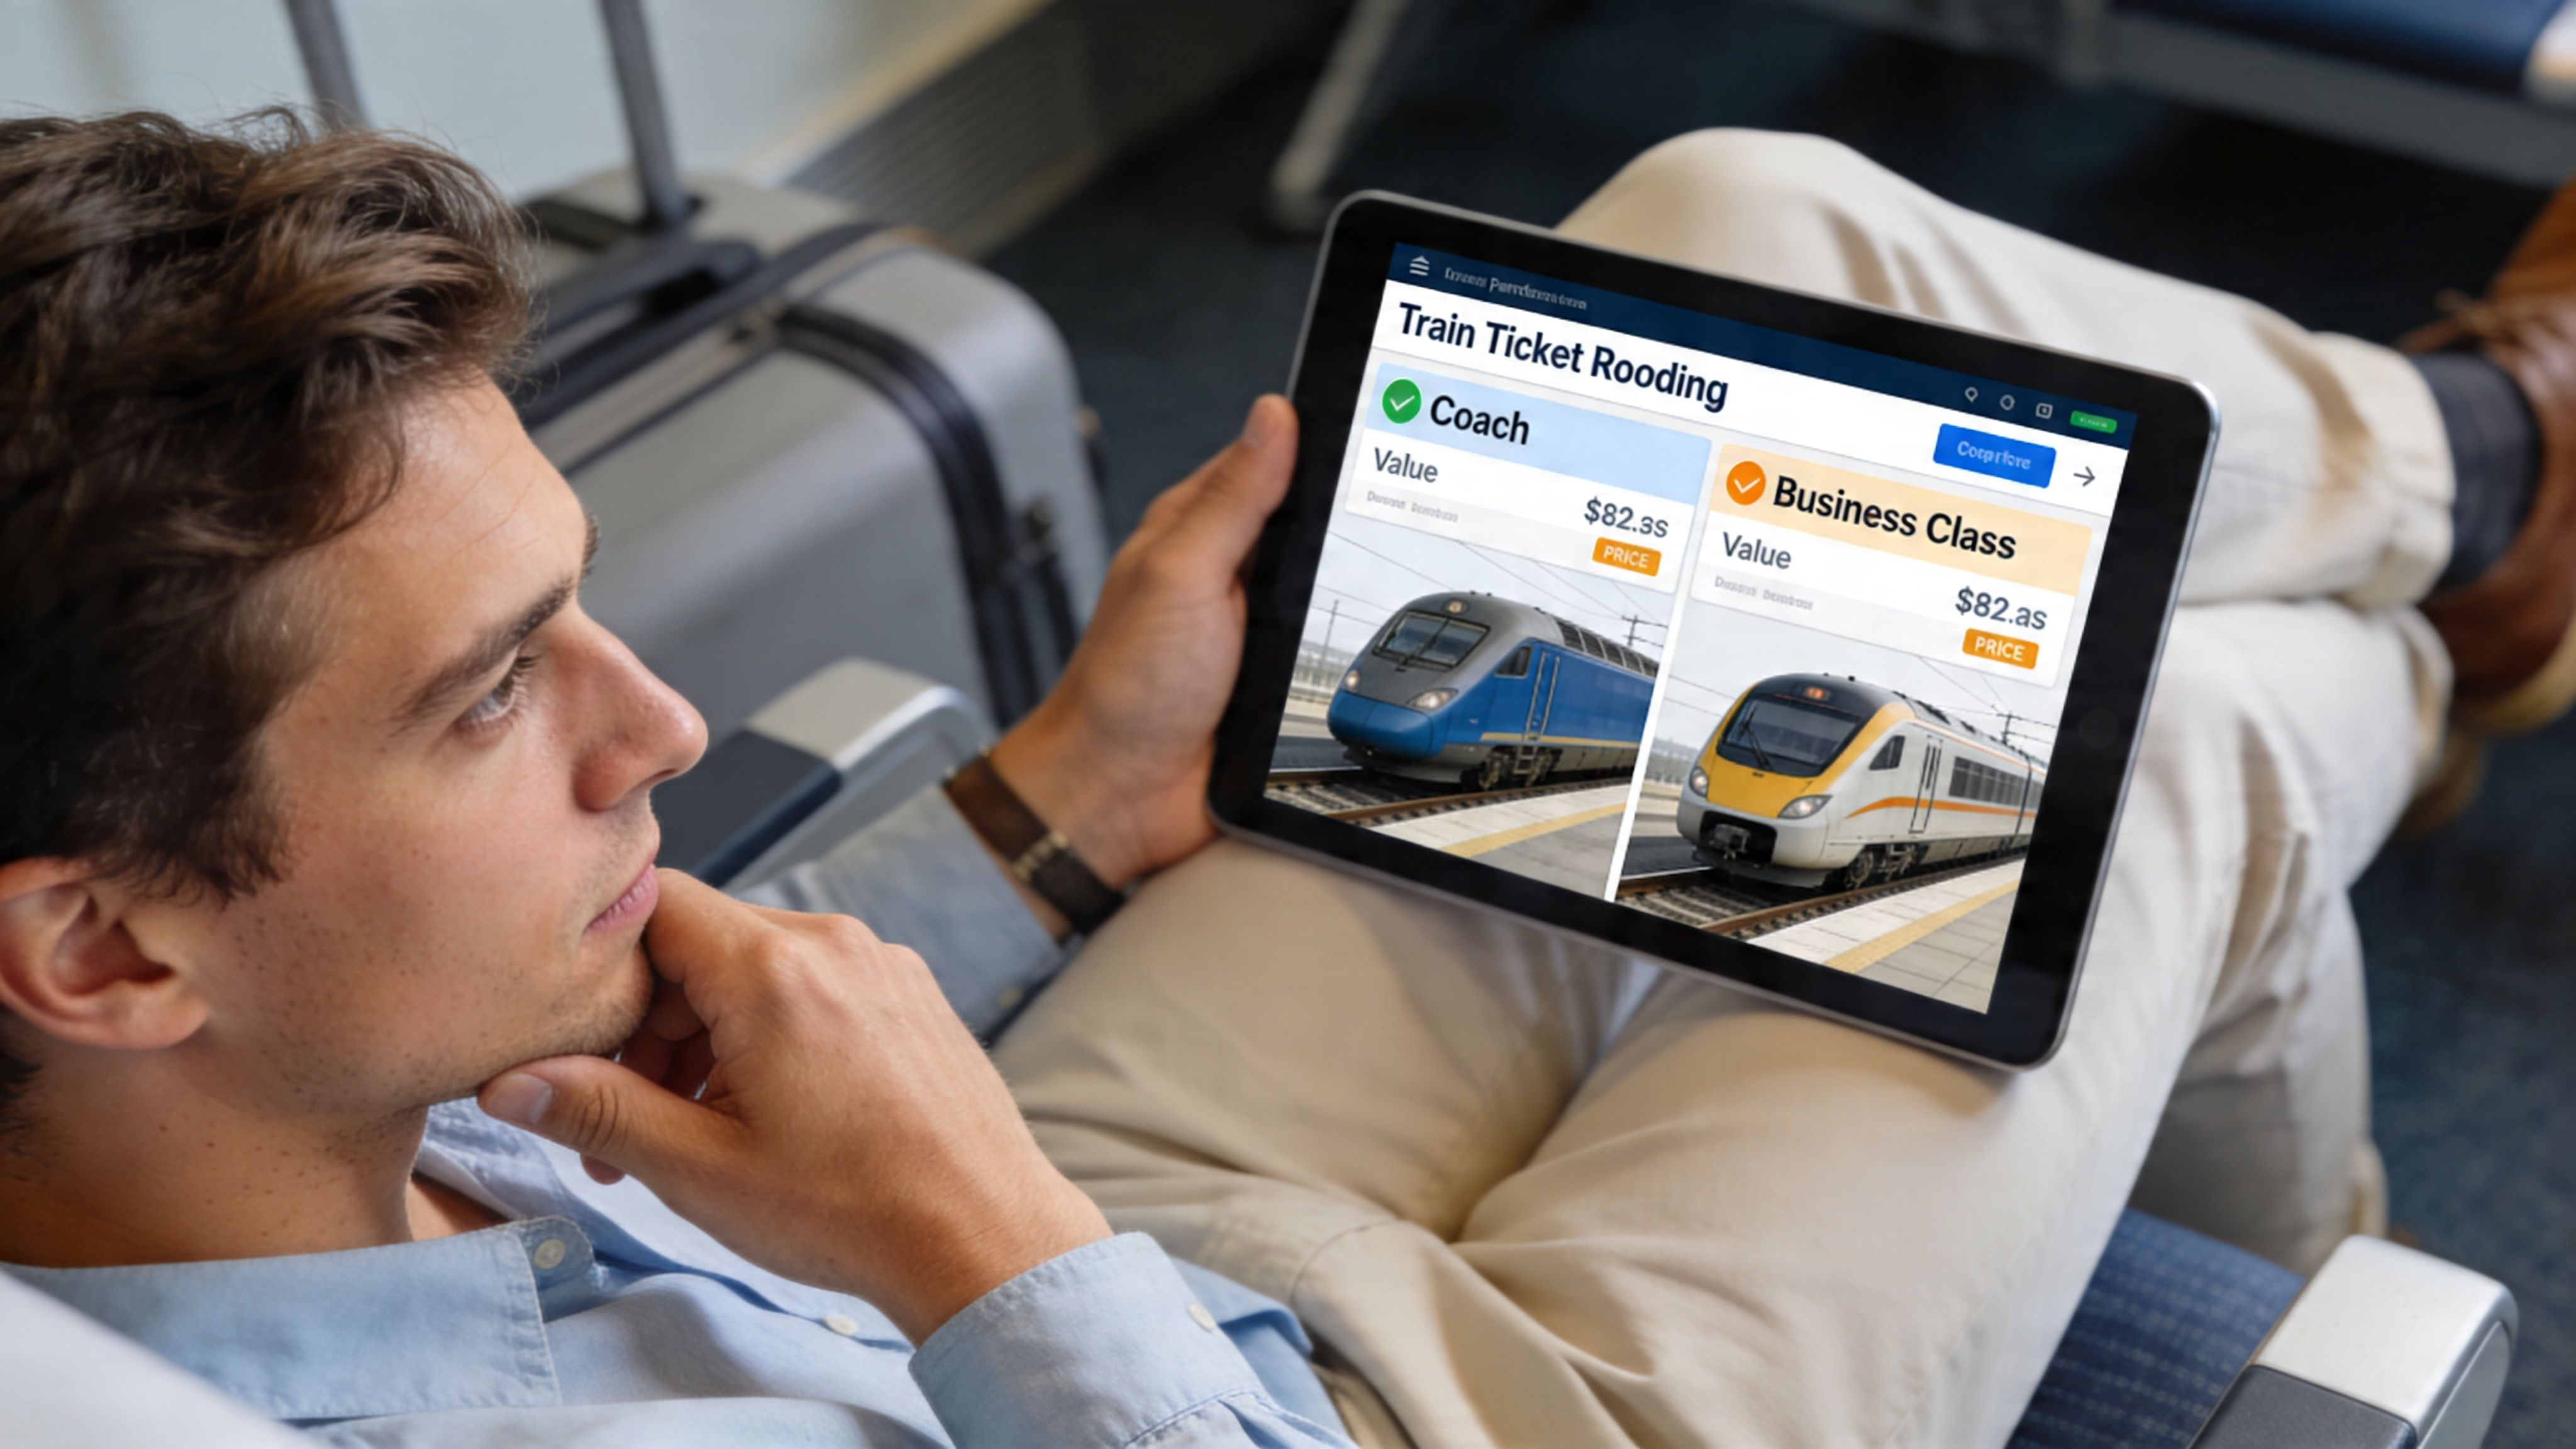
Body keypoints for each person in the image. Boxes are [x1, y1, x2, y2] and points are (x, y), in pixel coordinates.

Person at [0, 109, 2562, 1448]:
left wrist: (1054, 801)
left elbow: (587, 1003)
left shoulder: (309, 1065)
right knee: (2172, 739)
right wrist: (990, 1250)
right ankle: (2448, 610)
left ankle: (2471, 487)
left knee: (1720, 223)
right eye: (492, 699)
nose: (658, 731)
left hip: (1014, 1219)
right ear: (102, 945)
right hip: (1124, 1339)